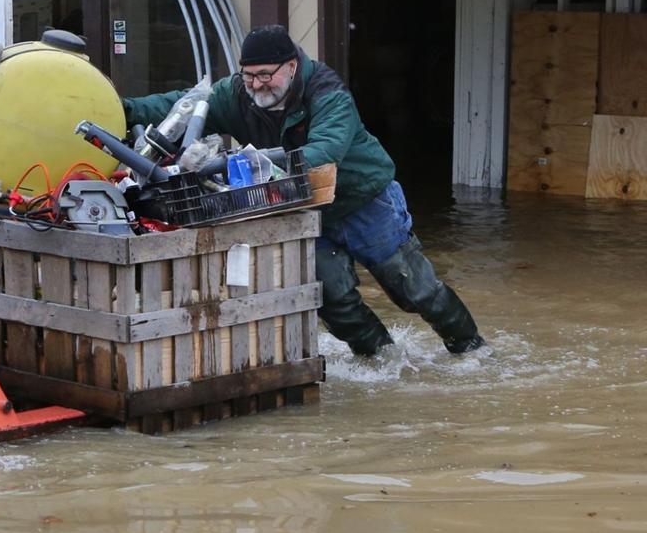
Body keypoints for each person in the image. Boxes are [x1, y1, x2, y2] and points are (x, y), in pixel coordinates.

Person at [123, 25, 485, 356]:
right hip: (305, 210)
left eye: (266, 74)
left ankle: (472, 350)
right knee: (334, 300)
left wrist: (249, 167)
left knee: (415, 290)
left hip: (363, 199)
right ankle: (383, 360)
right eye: (249, 75)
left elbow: (324, 152)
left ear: (292, 66)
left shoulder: (328, 93)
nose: (257, 84)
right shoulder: (234, 95)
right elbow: (179, 107)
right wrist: (123, 109)